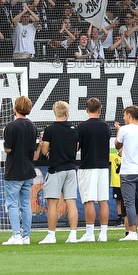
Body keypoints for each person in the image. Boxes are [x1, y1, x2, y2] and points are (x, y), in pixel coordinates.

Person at [38, 101, 81, 244]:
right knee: (71, 202)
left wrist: (45, 142)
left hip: (56, 169)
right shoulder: (74, 129)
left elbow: (44, 151)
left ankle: (51, 235)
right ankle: (73, 235)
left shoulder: (50, 129)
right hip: (70, 168)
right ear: (66, 113)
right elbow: (77, 147)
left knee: (52, 204)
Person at [2, 96, 39, 245]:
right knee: (25, 204)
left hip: (14, 170)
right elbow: (34, 151)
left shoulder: (11, 127)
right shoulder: (33, 127)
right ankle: (26, 235)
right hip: (28, 169)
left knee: (12, 204)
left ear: (15, 108)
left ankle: (16, 235)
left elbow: (8, 148)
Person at [114, 105, 138, 241]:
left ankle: (132, 232)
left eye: (125, 115)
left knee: (129, 203)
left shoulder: (124, 129)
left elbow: (117, 145)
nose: (124, 117)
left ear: (129, 115)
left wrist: (118, 132)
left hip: (128, 172)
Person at [76, 97, 112, 242]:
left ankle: (90, 234)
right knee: (103, 200)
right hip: (103, 167)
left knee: (89, 201)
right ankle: (103, 234)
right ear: (100, 109)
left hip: (88, 166)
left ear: (86, 110)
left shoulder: (82, 127)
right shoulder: (105, 127)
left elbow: (76, 147)